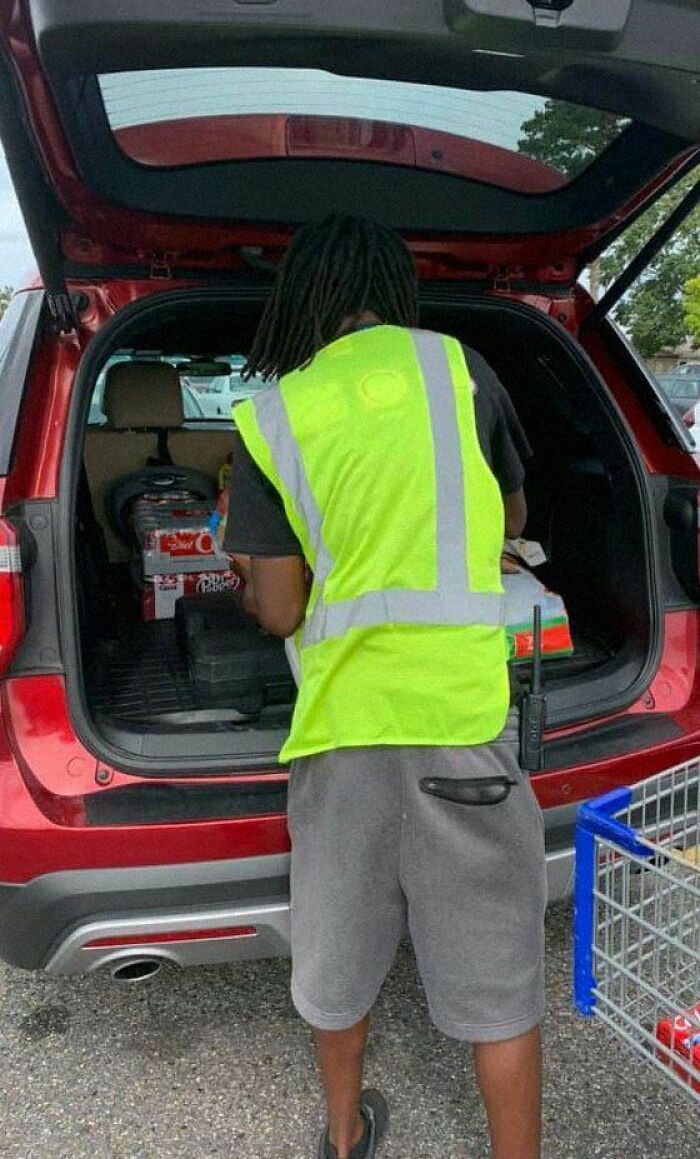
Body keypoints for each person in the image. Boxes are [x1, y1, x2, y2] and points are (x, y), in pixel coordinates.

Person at [224, 215, 546, 1159]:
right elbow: (510, 515)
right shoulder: (462, 371)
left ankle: (343, 1133)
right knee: (500, 989)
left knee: (338, 966)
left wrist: (248, 581)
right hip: (463, 722)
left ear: (303, 301)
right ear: (394, 292)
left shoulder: (273, 414)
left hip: (345, 731)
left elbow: (280, 610)